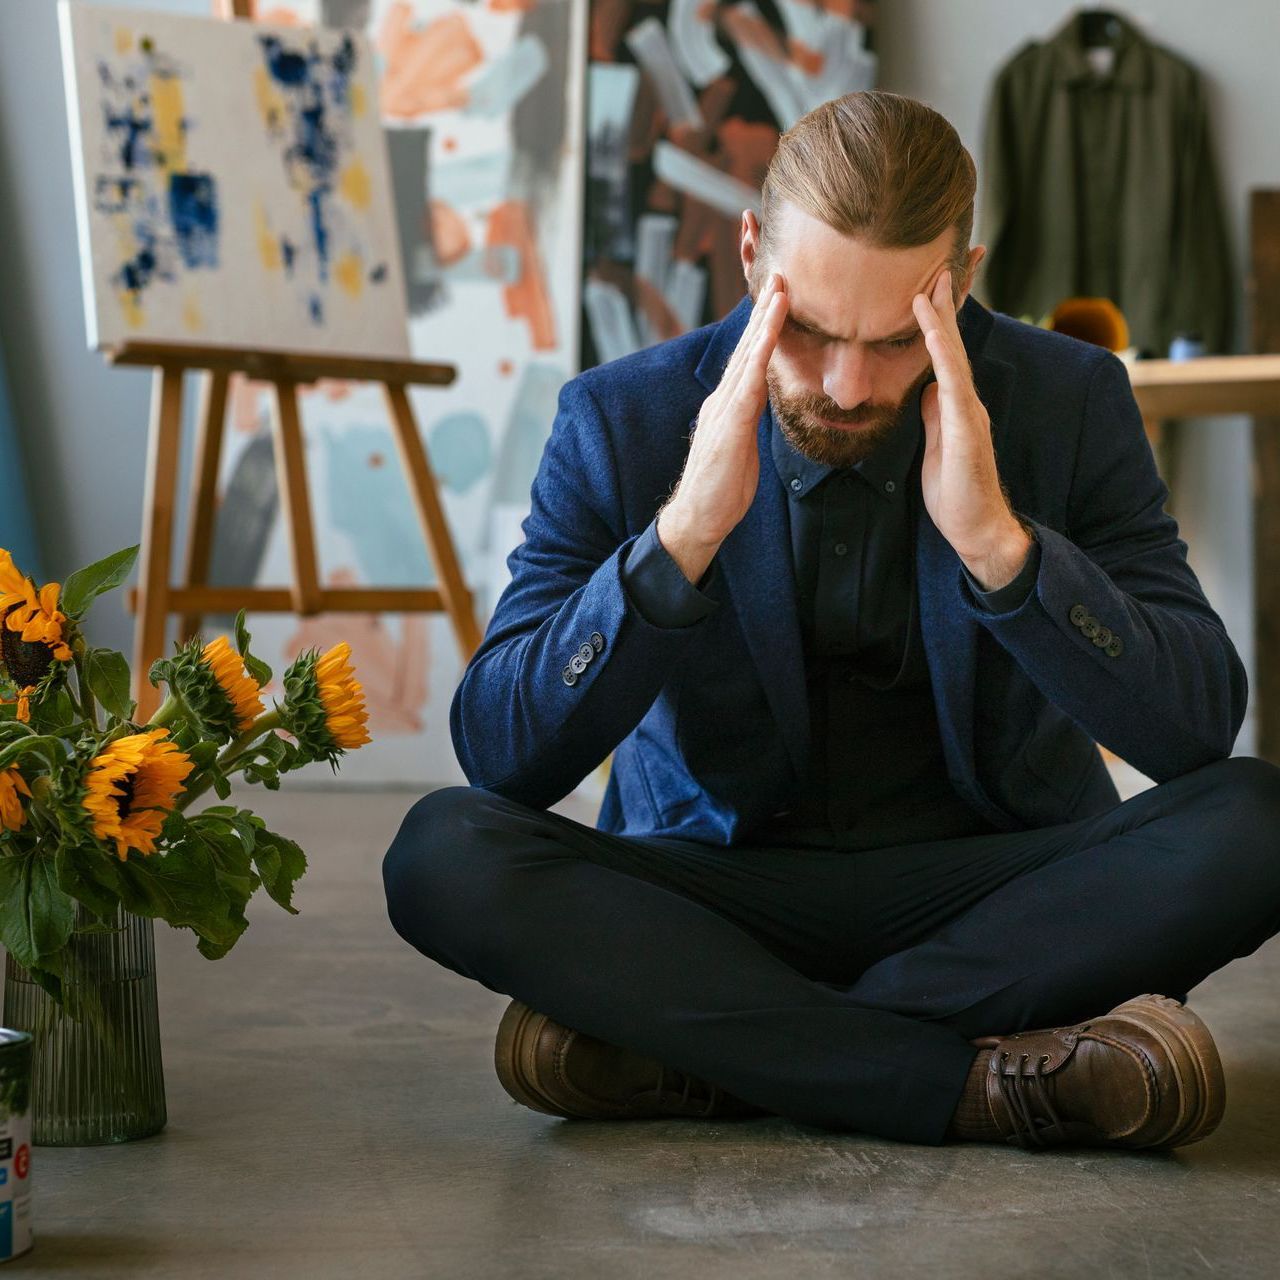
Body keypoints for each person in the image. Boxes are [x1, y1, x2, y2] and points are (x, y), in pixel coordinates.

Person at [382, 91, 1280, 1151]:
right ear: (753, 253)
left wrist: (1002, 547)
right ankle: (971, 1079)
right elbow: (499, 751)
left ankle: (713, 1050)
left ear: (962, 279)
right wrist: (677, 542)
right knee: (440, 849)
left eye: (896, 338)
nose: (847, 384)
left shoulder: (1066, 398)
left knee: (1256, 821)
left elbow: (1193, 730)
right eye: (806, 328)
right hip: (713, 887)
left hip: (994, 885)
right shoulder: (622, 415)